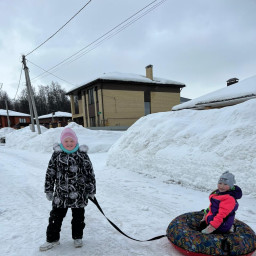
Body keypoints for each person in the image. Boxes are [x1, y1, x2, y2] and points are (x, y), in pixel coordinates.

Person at [39, 127, 96, 251]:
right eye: (66, 141)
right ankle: (52, 239)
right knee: (55, 217)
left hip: (79, 194)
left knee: (79, 218)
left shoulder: (82, 155)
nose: (69, 144)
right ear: (61, 142)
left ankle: (77, 237)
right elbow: (50, 173)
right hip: (61, 195)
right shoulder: (57, 155)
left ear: (76, 141)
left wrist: (91, 190)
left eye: (72, 141)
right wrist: (49, 189)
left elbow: (89, 174)